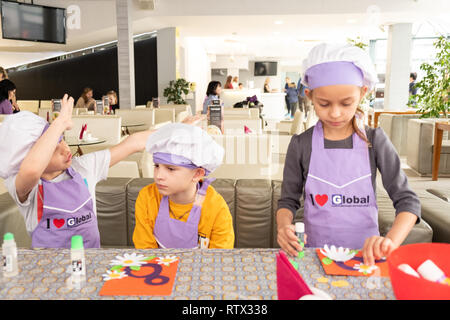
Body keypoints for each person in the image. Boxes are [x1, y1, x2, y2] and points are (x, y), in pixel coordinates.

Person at [276, 43, 421, 266]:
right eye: (324, 104)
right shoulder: (301, 144)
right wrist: (284, 227)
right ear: (310, 96)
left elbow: (408, 202)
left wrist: (389, 242)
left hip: (367, 259)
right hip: (315, 257)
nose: (335, 113)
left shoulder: (375, 141)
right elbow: (287, 201)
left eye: (346, 103)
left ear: (363, 93)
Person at [0, 94, 205, 249]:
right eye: (54, 146)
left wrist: (178, 129)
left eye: (62, 139)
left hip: (91, 263)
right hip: (48, 274)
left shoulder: (84, 167)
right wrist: (59, 123)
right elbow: (32, 169)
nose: (65, 149)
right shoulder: (28, 189)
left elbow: (134, 142)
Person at [132, 122, 235, 249]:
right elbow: (145, 251)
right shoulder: (147, 198)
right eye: (157, 166)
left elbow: (219, 258)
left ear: (197, 174)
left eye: (170, 169)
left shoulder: (216, 208)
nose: (159, 175)